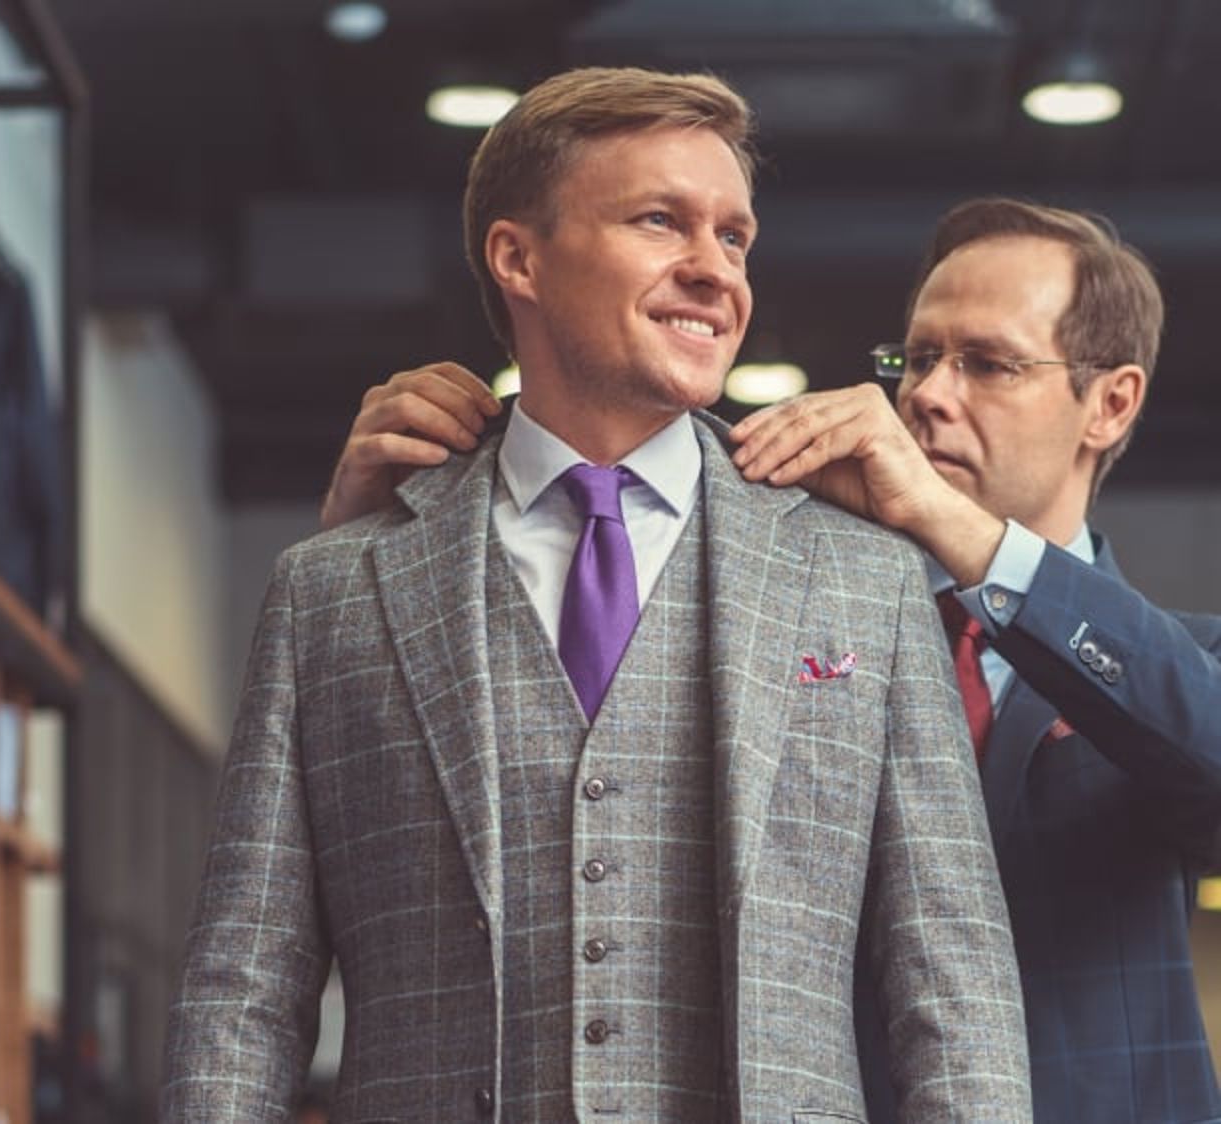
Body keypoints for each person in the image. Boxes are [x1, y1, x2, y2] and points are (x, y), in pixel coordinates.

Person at [163, 67, 1031, 1122]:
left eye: (734, 237)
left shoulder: (865, 579)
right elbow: (245, 992)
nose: (714, 270)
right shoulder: (331, 591)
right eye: (661, 221)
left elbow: (954, 985)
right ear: (518, 258)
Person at [327, 196, 1221, 1122]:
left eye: (988, 364)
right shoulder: (799, 635)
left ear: (1111, 403)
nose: (926, 394)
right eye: (917, 359)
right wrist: (369, 556)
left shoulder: (1185, 663)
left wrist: (956, 531)